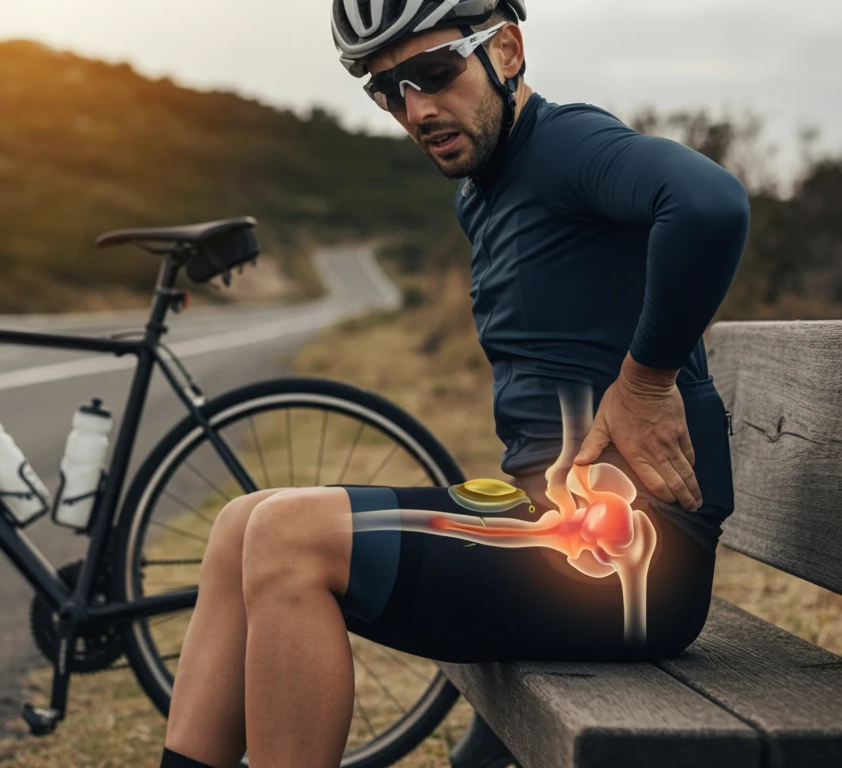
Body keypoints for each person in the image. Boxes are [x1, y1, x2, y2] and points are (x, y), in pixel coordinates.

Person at [158, 1, 749, 766]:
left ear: (506, 50)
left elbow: (709, 203)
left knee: (285, 539)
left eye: (434, 73)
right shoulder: (482, 193)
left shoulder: (566, 144)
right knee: (242, 520)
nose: (416, 109)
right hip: (552, 531)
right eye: (386, 90)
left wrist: (646, 380)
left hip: (630, 560)